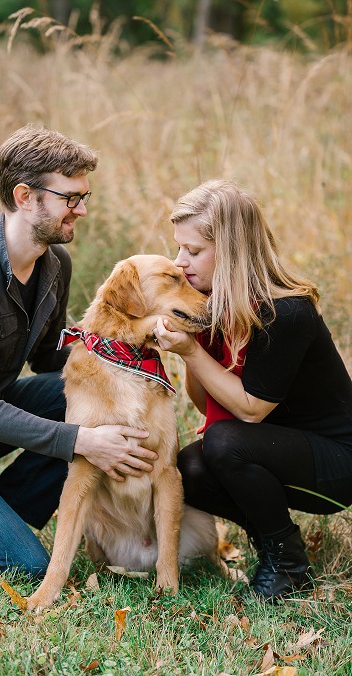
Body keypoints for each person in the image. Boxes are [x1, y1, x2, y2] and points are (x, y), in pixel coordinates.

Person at [0, 126, 158, 576]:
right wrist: (83, 441)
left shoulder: (55, 263)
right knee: (29, 567)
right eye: (69, 198)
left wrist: (129, 346)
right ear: (25, 196)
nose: (80, 210)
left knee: (79, 399)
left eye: (84, 196)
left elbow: (48, 358)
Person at [153, 179, 352, 601]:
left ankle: (288, 566)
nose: (179, 262)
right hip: (280, 447)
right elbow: (206, 401)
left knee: (224, 442)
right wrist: (197, 341)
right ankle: (273, 542)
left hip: (337, 461)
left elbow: (248, 412)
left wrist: (191, 352)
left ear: (229, 250)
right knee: (189, 465)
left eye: (193, 251)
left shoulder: (286, 311)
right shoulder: (217, 304)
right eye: (178, 248)